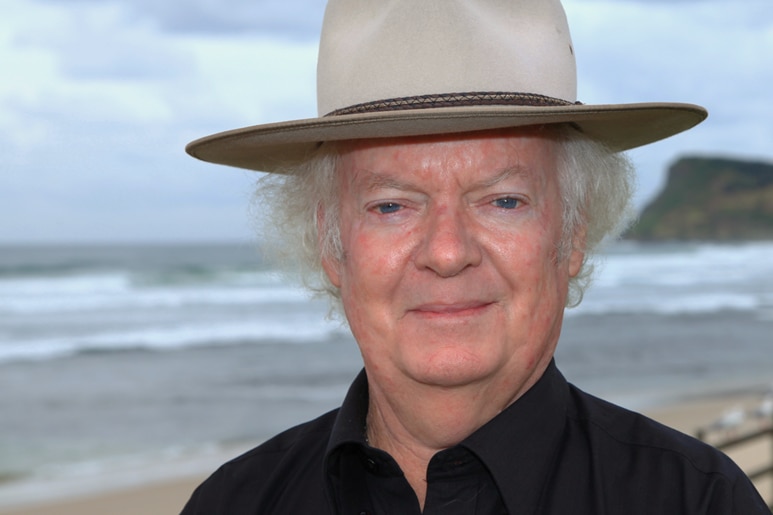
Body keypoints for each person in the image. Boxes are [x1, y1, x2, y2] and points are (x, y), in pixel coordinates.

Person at [181, 0, 770, 513]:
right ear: (332, 246)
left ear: (571, 235)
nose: (446, 252)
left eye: (503, 200)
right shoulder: (234, 503)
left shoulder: (698, 501)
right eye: (391, 206)